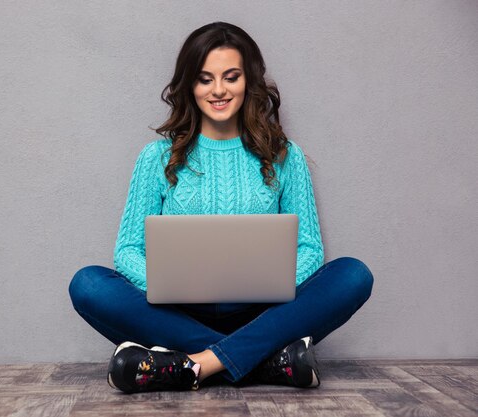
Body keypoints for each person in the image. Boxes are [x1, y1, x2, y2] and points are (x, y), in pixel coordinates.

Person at [68, 21, 373, 394]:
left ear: (249, 82)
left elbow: (309, 249)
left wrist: (271, 287)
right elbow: (128, 251)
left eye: (231, 77)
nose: (218, 90)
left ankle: (193, 364)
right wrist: (168, 287)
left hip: (264, 313)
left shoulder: (285, 156)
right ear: (189, 85)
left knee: (353, 274)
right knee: (88, 284)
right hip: (177, 314)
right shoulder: (156, 158)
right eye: (205, 78)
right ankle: (267, 362)